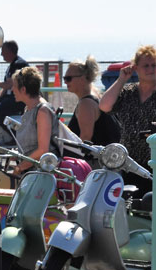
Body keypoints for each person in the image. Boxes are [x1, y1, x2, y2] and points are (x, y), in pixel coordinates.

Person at [100, 45, 156, 194]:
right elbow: (104, 105)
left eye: (154, 65)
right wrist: (121, 80)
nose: (151, 69)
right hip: (128, 164)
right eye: (146, 66)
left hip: (153, 163)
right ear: (136, 68)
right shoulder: (128, 92)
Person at [10, 66, 60, 175]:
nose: (12, 90)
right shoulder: (28, 108)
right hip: (32, 172)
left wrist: (19, 168)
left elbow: (43, 150)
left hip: (44, 174)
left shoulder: (42, 111)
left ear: (23, 89)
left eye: (14, 86)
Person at [65, 56, 120, 145]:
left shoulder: (86, 104)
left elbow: (85, 140)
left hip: (97, 157)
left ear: (82, 78)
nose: (65, 82)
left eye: (68, 78)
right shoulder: (96, 94)